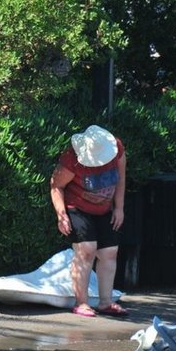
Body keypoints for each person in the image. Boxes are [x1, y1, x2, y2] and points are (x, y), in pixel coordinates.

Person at [50, 125, 128, 318]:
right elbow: (56, 185)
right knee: (86, 249)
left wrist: (119, 207)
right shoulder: (72, 159)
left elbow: (121, 178)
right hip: (77, 207)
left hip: (104, 209)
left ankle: (105, 302)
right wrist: (61, 214)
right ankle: (81, 302)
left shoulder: (117, 148)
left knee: (110, 251)